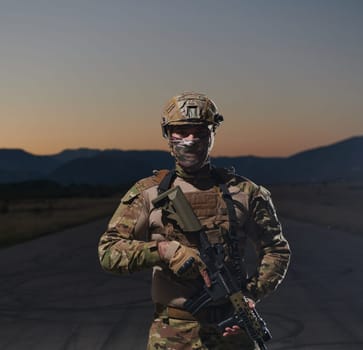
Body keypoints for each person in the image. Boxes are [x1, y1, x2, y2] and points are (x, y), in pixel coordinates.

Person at [98, 92, 291, 349]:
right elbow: (108, 252)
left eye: (199, 131)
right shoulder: (148, 193)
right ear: (168, 135)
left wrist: (249, 294)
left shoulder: (246, 192)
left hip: (232, 329)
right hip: (172, 334)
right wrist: (165, 251)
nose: (190, 140)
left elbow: (276, 250)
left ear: (212, 134)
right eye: (181, 131)